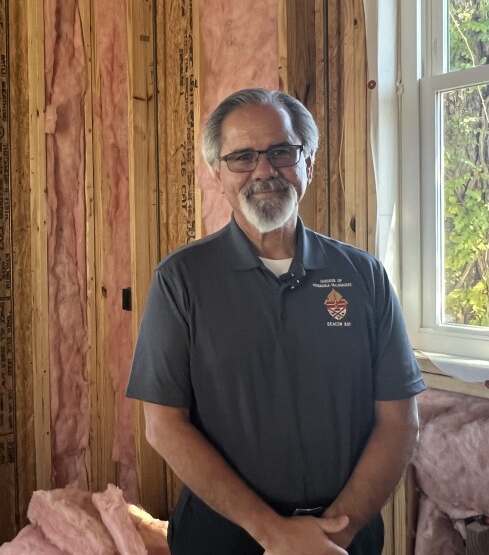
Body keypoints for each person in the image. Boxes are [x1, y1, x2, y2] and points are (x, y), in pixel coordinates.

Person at [126, 88, 426, 555]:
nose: (264, 170)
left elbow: (399, 422)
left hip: (346, 539)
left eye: (281, 151)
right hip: (223, 539)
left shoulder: (362, 276)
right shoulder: (181, 280)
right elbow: (164, 425)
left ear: (309, 163)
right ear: (218, 174)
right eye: (242, 157)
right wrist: (273, 532)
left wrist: (332, 536)